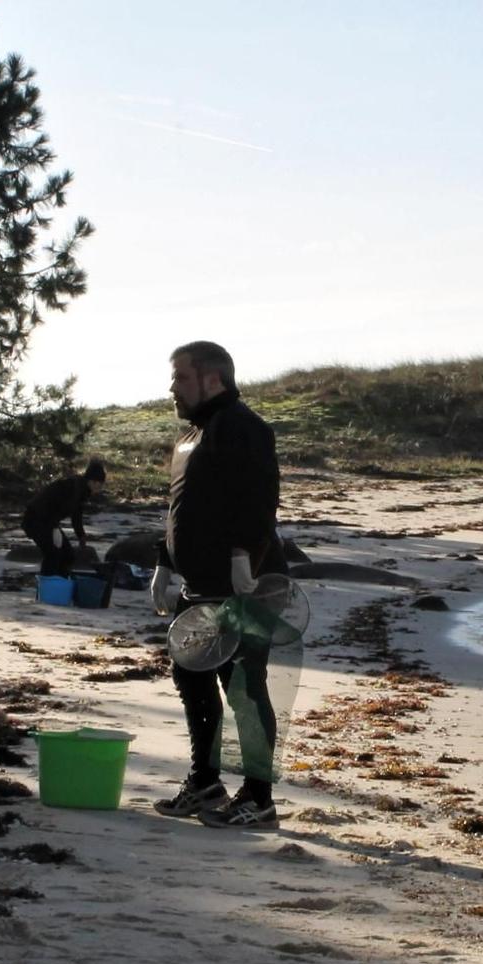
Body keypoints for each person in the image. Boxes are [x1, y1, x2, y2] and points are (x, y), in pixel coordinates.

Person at [150, 341, 288, 829]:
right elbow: (181, 508)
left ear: (213, 380)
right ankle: (206, 781)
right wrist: (164, 563)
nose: (172, 387)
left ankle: (258, 796)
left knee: (244, 687)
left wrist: (242, 558)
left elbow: (260, 500)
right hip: (200, 584)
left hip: (245, 586)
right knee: (191, 675)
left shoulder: (245, 427)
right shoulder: (192, 434)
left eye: (181, 378)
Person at [20, 458, 106, 577]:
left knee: (68, 555)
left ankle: (62, 584)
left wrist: (81, 535)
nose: (100, 489)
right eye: (100, 485)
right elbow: (51, 506)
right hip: (35, 520)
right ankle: (48, 585)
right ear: (93, 481)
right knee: (53, 554)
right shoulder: (72, 487)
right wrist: (53, 529)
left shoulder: (82, 491)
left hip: (48, 522)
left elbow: (76, 515)